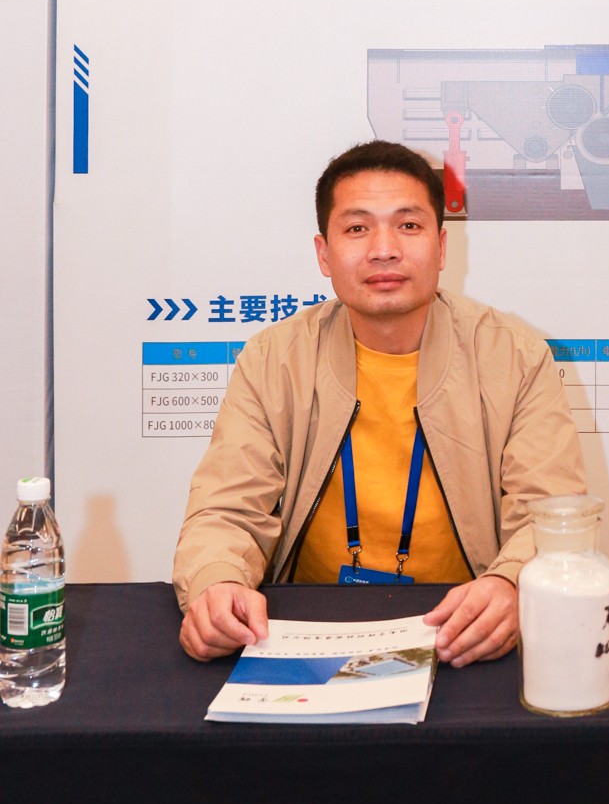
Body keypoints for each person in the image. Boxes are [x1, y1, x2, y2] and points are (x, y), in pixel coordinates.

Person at [174, 140, 586, 667]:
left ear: (441, 247)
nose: (384, 249)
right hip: (308, 626)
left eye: (408, 225)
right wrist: (217, 582)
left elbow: (550, 513)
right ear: (324, 254)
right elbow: (227, 510)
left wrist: (512, 583)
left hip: (462, 627)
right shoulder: (274, 359)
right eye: (357, 228)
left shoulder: (514, 356)